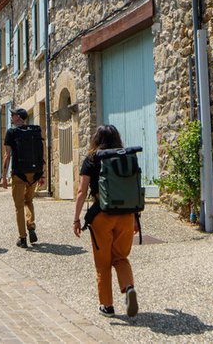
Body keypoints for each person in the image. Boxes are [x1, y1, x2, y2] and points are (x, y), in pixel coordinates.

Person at [72, 124, 140, 318]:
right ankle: (128, 288)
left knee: (103, 263)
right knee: (120, 257)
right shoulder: (126, 157)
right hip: (126, 215)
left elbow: (81, 192)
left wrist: (76, 219)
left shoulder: (92, 159)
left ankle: (107, 306)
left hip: (102, 216)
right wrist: (135, 218)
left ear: (96, 139)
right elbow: (132, 189)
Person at [1, 108, 45, 248]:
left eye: (12, 115)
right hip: (34, 173)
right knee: (29, 201)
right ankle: (31, 226)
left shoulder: (11, 132)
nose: (11, 116)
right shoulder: (35, 131)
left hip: (19, 173)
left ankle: (23, 238)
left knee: (19, 205)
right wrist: (42, 174)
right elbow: (42, 153)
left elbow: (7, 156)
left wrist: (4, 176)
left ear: (18, 117)